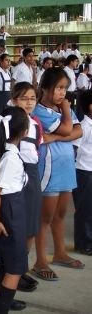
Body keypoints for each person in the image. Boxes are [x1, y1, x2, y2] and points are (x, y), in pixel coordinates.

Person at [31, 67, 84, 281]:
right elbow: (67, 130)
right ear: (45, 88)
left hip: (66, 166)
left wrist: (56, 137)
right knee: (45, 217)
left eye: (65, 89)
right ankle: (40, 261)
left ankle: (60, 253)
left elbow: (78, 130)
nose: (62, 93)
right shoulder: (40, 111)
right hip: (49, 169)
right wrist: (65, 129)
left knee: (61, 214)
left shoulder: (63, 109)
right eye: (58, 88)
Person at [0, 107, 29, 314]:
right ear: (25, 131)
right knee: (15, 267)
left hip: (4, 209)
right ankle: (2, 308)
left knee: (6, 260)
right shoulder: (11, 158)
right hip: (8, 211)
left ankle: (0, 301)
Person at [10, 82, 43, 292]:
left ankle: (22, 270)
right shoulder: (8, 122)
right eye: (24, 98)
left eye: (32, 98)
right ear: (14, 101)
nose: (29, 102)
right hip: (14, 174)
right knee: (16, 228)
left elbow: (37, 149)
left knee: (31, 226)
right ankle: (14, 272)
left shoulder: (35, 123)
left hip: (32, 174)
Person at [73, 89, 92, 256]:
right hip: (84, 172)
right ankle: (83, 243)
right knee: (85, 209)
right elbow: (74, 148)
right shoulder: (84, 126)